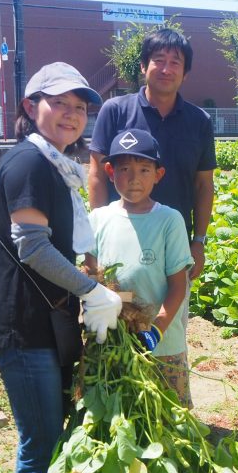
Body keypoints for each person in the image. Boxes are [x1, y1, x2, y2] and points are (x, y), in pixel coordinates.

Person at [0, 62, 123, 473]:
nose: (71, 114)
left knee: (52, 437)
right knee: (39, 444)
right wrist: (92, 291)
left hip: (48, 325)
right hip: (23, 329)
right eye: (59, 102)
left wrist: (89, 286)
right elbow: (33, 247)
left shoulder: (56, 165)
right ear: (30, 106)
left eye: (81, 107)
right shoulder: (28, 161)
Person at [87, 28, 215, 281]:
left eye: (175, 62)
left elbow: (203, 184)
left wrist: (198, 241)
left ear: (185, 73)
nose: (166, 69)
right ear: (144, 66)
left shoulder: (199, 121)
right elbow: (97, 176)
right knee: (118, 311)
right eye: (158, 60)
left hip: (174, 239)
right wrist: (100, 233)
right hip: (122, 234)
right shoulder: (115, 111)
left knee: (170, 313)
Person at [88, 128, 194, 406]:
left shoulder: (169, 220)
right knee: (123, 418)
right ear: (110, 172)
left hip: (164, 341)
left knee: (171, 418)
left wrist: (155, 330)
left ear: (158, 175)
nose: (134, 178)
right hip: (113, 341)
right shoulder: (99, 219)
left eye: (145, 169)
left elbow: (178, 285)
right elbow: (91, 278)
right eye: (124, 169)